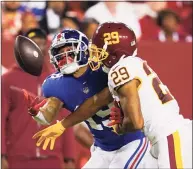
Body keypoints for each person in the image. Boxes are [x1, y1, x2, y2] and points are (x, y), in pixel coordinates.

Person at [29, 29, 158, 168]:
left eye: (69, 49)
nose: (64, 56)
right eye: (59, 53)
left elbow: (94, 104)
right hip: (101, 149)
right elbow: (49, 113)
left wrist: (62, 125)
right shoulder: (54, 84)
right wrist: (38, 113)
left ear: (84, 49)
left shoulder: (106, 71)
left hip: (130, 143)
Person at [88, 22, 192, 168]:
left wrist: (121, 127)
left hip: (169, 136)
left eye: (100, 51)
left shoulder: (119, 69)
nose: (96, 56)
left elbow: (136, 122)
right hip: (163, 138)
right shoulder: (134, 64)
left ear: (114, 52)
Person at [1, 28, 76, 169]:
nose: (36, 48)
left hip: (52, 158)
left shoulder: (58, 79)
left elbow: (65, 120)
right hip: (17, 159)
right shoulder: (7, 80)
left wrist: (69, 157)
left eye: (40, 43)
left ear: (46, 47)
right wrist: (1, 154)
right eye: (32, 44)